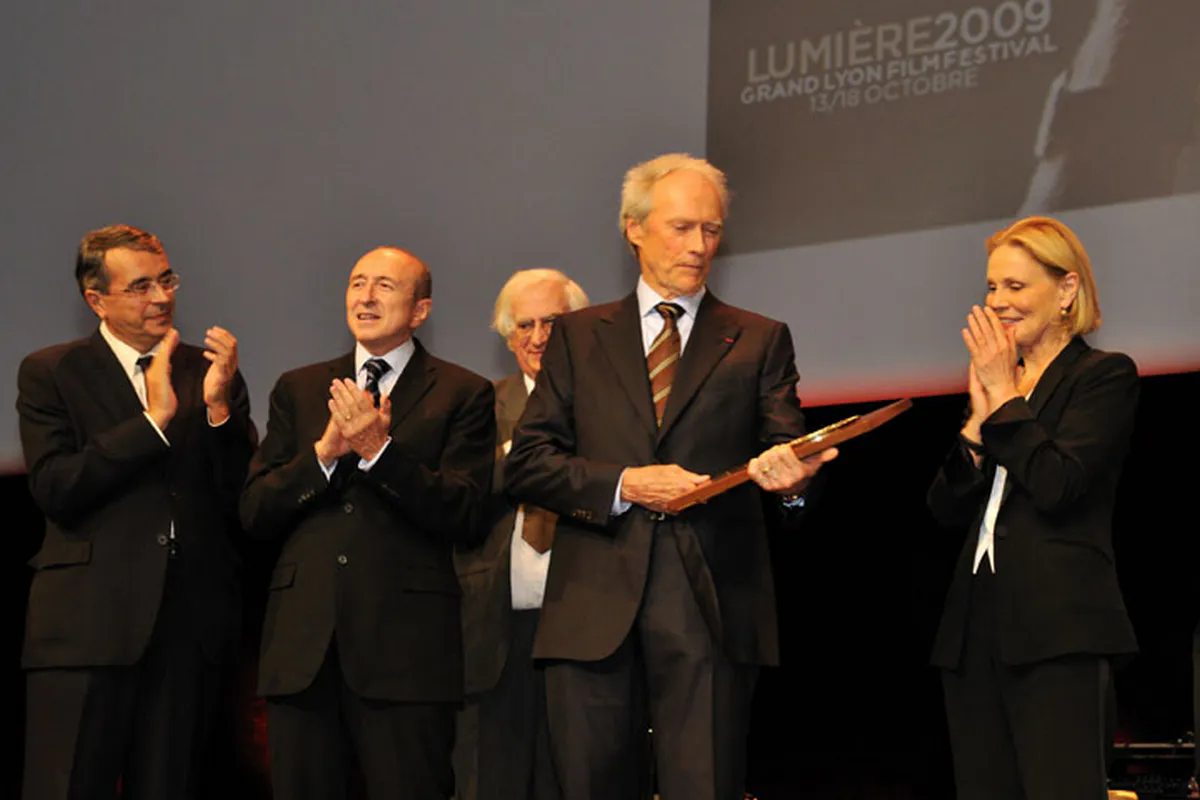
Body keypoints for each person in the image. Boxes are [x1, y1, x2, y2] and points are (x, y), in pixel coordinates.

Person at [503, 153, 836, 800]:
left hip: (710, 603)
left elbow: (786, 449)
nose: (699, 245)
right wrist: (627, 483)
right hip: (592, 604)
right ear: (634, 228)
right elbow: (530, 463)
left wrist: (794, 481)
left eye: (711, 231)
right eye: (682, 228)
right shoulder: (576, 336)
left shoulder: (759, 339)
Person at [240, 246, 496, 800]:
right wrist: (324, 456)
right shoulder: (300, 387)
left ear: (420, 310)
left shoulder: (463, 392)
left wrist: (380, 452)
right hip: (304, 648)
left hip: (405, 653)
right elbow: (256, 509)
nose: (366, 296)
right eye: (358, 283)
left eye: (385, 285)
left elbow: (467, 512)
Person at [16, 223, 255, 800]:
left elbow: (240, 496)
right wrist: (150, 424)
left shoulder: (208, 371)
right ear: (95, 298)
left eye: (167, 280)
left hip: (186, 630)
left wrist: (220, 411)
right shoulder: (53, 372)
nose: (162, 297)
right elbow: (56, 486)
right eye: (141, 286)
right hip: (86, 627)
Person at [927, 215, 1139, 798]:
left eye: (1015, 288)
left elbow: (1058, 485)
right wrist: (975, 424)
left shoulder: (1103, 377)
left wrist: (1003, 401)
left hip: (1058, 632)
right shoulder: (1001, 387)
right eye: (991, 288)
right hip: (974, 633)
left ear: (1067, 290)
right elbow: (944, 509)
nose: (997, 303)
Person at [453, 268, 589, 800]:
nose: (537, 338)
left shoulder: (608, 407)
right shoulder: (477, 406)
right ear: (508, 337)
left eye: (552, 323)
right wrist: (521, 453)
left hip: (584, 616)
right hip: (495, 622)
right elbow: (460, 499)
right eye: (523, 325)